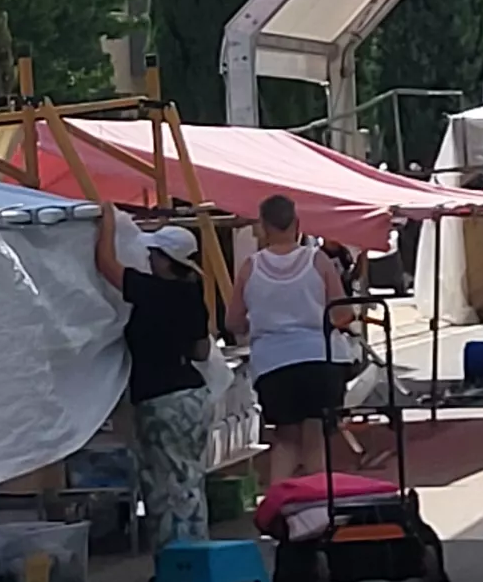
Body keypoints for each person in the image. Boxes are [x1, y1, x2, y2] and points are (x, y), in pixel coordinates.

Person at [98, 209, 215, 546]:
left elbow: (106, 265)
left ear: (166, 260)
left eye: (153, 253)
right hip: (194, 397)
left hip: (160, 398)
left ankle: (177, 559)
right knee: (189, 478)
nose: (148, 258)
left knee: (163, 485)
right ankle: (197, 552)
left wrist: (106, 221)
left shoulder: (151, 291)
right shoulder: (192, 293)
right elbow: (202, 351)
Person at [233, 194, 347, 485]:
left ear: (263, 226)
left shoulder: (250, 267)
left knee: (285, 439)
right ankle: (320, 510)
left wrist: (262, 321)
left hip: (273, 363)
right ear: (297, 224)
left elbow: (233, 323)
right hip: (319, 358)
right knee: (315, 438)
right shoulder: (317, 260)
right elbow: (342, 313)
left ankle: (278, 509)